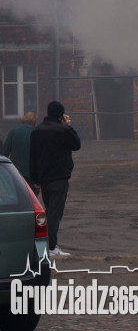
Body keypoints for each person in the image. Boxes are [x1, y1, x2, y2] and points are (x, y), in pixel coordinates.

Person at [29, 101, 81, 257]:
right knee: (54, 214)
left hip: (44, 178)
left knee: (48, 211)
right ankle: (50, 247)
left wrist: (35, 178)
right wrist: (68, 126)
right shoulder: (62, 130)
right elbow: (76, 144)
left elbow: (33, 157)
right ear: (61, 115)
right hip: (59, 177)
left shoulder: (37, 131)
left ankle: (45, 244)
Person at [2, 112, 36, 191]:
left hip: (16, 172)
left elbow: (4, 153)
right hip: (32, 174)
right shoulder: (37, 133)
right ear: (34, 122)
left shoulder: (13, 132)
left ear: (23, 121)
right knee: (31, 196)